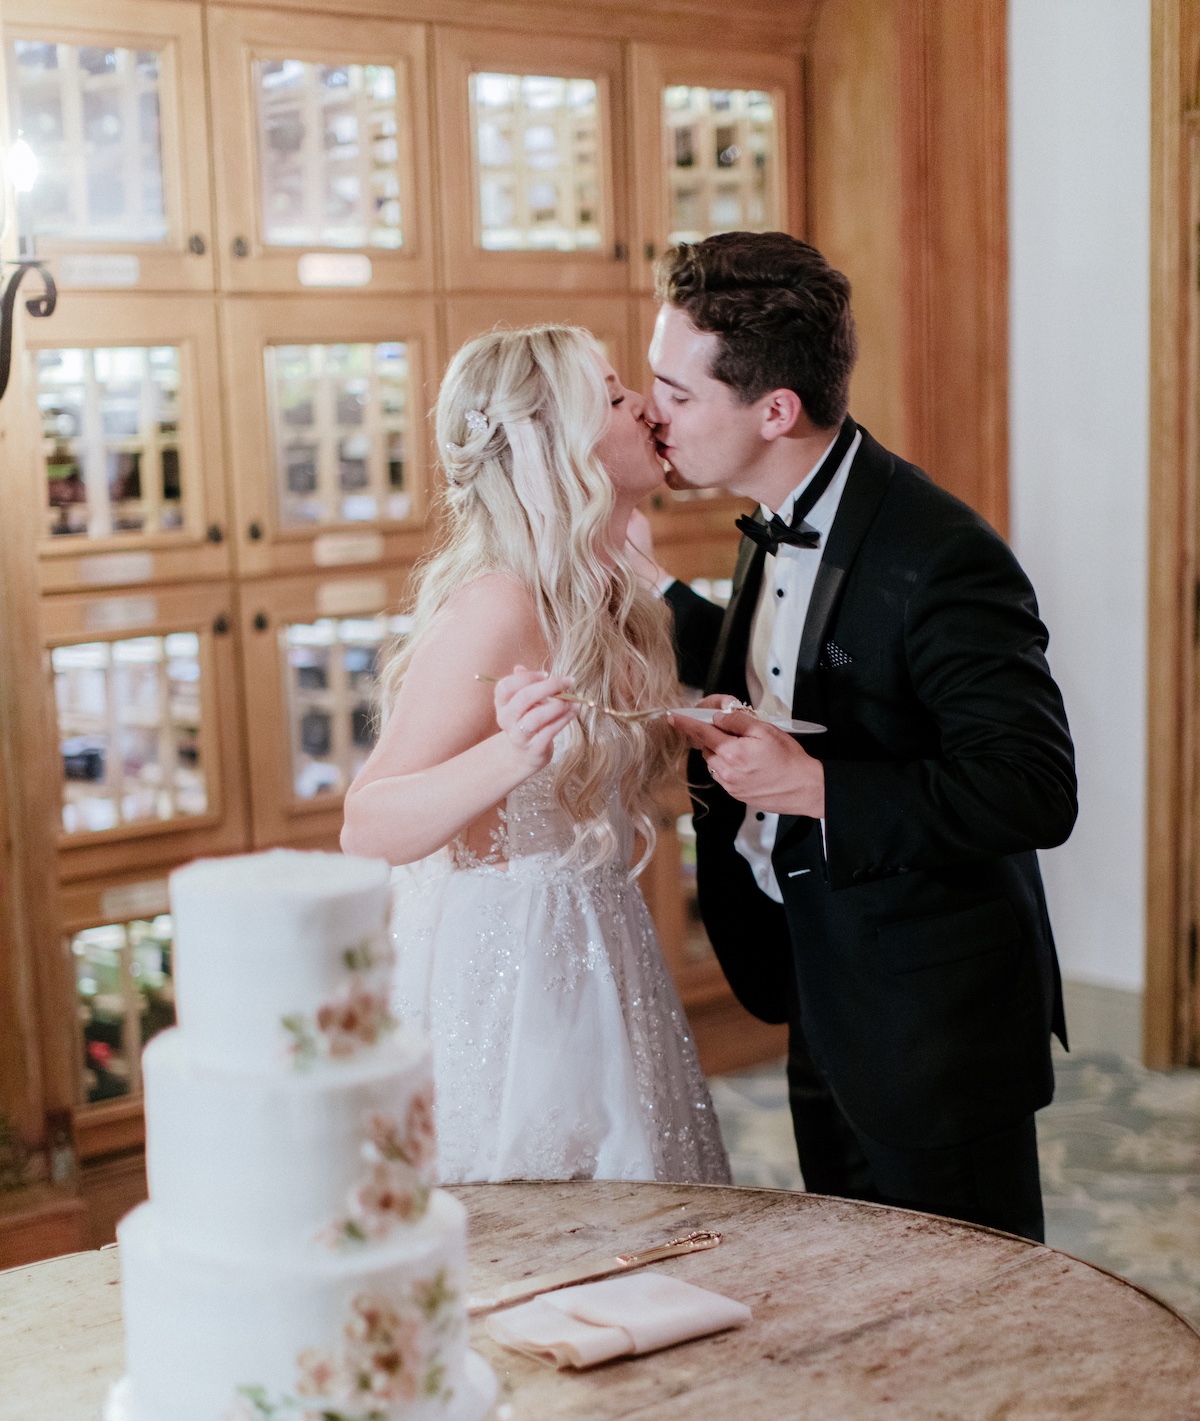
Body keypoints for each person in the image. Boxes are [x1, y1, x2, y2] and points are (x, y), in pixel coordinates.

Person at [633, 231, 1076, 1242]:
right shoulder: (781, 507)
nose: (657, 413)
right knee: (861, 1297)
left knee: (968, 1318)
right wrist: (656, 592)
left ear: (774, 410)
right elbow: (794, 669)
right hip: (821, 978)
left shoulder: (945, 554)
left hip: (932, 1019)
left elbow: (1034, 787)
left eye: (678, 390)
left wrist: (818, 788)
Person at [341, 325, 730, 1187]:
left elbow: (594, 750)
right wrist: (513, 753)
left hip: (599, 945)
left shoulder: (611, 584)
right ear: (558, 442)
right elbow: (366, 824)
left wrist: (690, 721)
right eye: (614, 392)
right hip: (511, 970)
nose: (643, 406)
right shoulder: (496, 606)